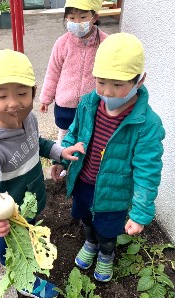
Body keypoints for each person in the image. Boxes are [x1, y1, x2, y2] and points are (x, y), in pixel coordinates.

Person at [0, 49, 84, 298]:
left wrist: (60, 152)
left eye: (22, 93)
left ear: (33, 92)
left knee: (30, 229)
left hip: (31, 202)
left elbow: (37, 143)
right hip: (10, 220)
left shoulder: (29, 119)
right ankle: (23, 279)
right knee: (12, 249)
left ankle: (30, 239)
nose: (14, 103)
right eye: (2, 96)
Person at [51, 33, 165, 282]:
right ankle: (90, 242)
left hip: (115, 192)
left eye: (118, 84)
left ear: (139, 81)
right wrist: (61, 157)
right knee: (85, 217)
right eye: (101, 82)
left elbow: (148, 170)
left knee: (108, 228)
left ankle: (105, 253)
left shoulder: (146, 124)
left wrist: (140, 213)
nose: (108, 92)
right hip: (83, 181)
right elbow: (74, 134)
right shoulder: (88, 104)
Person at [39, 0, 108, 145]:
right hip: (65, 103)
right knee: (65, 135)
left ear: (95, 17)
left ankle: (84, 166)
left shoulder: (104, 42)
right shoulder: (62, 43)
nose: (77, 22)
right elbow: (53, 71)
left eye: (82, 17)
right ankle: (61, 163)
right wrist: (46, 98)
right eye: (71, 18)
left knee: (90, 136)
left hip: (92, 103)